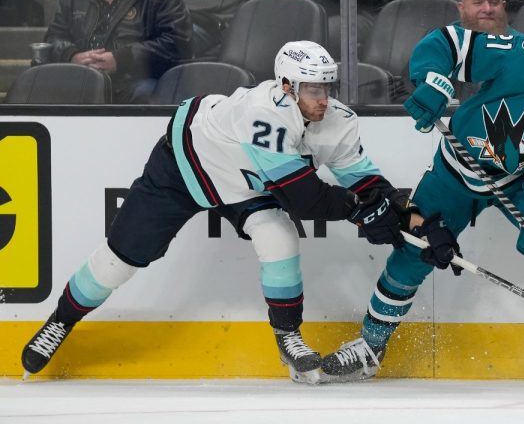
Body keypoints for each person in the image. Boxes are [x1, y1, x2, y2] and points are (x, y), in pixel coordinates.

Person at [20, 40, 454, 385]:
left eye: (328, 88)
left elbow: (366, 183)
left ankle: (288, 337)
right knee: (122, 259)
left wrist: (408, 215)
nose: (324, 99)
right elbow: (307, 199)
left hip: (247, 182)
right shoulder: (263, 113)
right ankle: (61, 320)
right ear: (287, 87)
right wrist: (364, 214)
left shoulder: (337, 119)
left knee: (279, 238)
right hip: (186, 165)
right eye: (313, 90)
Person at [320, 25, 524, 385]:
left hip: (518, 184)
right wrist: (432, 80)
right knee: (414, 247)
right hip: (455, 172)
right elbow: (447, 43)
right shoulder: (523, 55)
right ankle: (370, 347)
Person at [44, 0, 193, 104]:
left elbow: (179, 43)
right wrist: (72, 56)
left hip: (136, 85)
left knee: (149, 92)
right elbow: (53, 39)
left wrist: (122, 59)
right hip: (81, 83)